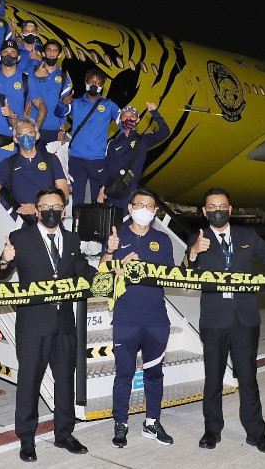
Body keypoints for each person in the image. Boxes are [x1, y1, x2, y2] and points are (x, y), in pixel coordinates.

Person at [186, 187, 265, 454]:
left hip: (245, 319)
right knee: (212, 378)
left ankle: (256, 433)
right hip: (214, 319)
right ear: (204, 211)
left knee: (248, 378)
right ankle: (212, 430)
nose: (217, 210)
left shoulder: (246, 235)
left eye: (222, 205)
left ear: (230, 209)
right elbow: (184, 275)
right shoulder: (198, 238)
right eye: (211, 207)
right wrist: (192, 253)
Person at [0, 187, 96, 462]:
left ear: (63, 211)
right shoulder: (19, 238)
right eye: (45, 207)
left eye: (56, 207)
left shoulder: (73, 240)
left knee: (65, 381)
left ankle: (64, 434)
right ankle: (27, 440)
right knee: (29, 381)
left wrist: (111, 271)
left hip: (64, 322)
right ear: (36, 210)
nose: (51, 211)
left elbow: (83, 272)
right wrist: (3, 259)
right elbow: (0, 275)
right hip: (33, 324)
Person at [100, 188, 175, 447]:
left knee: (155, 373)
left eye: (150, 206)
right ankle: (120, 423)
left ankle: (152, 422)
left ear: (155, 211)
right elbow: (100, 278)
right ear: (130, 208)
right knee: (124, 374)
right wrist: (112, 258)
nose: (145, 209)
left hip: (156, 319)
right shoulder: (115, 237)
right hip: (126, 318)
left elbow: (169, 275)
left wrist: (146, 268)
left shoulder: (162, 240)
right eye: (140, 204)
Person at [0, 118, 69, 221]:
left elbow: (65, 194)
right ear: (15, 139)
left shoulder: (51, 159)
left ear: (37, 136)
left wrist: (38, 209)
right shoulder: (8, 164)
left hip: (49, 220)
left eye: (29, 132)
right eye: (21, 134)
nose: (25, 137)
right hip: (22, 223)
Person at [97, 103, 170, 211]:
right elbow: (106, 167)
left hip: (130, 190)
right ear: (120, 120)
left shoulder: (144, 140)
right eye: (125, 116)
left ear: (137, 120)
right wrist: (102, 190)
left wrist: (154, 113)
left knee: (127, 223)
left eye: (132, 116)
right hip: (112, 189)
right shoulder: (113, 143)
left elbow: (165, 132)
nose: (128, 119)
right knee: (111, 224)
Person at [65, 69, 120, 206]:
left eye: (98, 82)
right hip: (77, 158)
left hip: (98, 159)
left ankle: (96, 227)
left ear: (103, 85)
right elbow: (60, 113)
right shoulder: (76, 103)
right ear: (86, 83)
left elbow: (124, 124)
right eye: (92, 81)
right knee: (77, 197)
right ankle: (76, 226)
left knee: (98, 197)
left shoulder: (109, 105)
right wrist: (62, 102)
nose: (95, 84)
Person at [0, 39, 47, 126]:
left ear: (18, 57)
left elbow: (42, 108)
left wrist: (34, 131)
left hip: (17, 133)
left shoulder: (27, 80)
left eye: (13, 52)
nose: (9, 54)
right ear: (0, 57)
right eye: (5, 52)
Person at [29, 40, 73, 145]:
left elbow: (63, 108)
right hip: (33, 126)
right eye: (49, 50)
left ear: (59, 54)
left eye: (55, 50)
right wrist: (35, 76)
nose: (52, 53)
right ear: (43, 53)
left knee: (51, 161)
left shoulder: (64, 77)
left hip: (54, 129)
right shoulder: (32, 72)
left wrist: (62, 130)